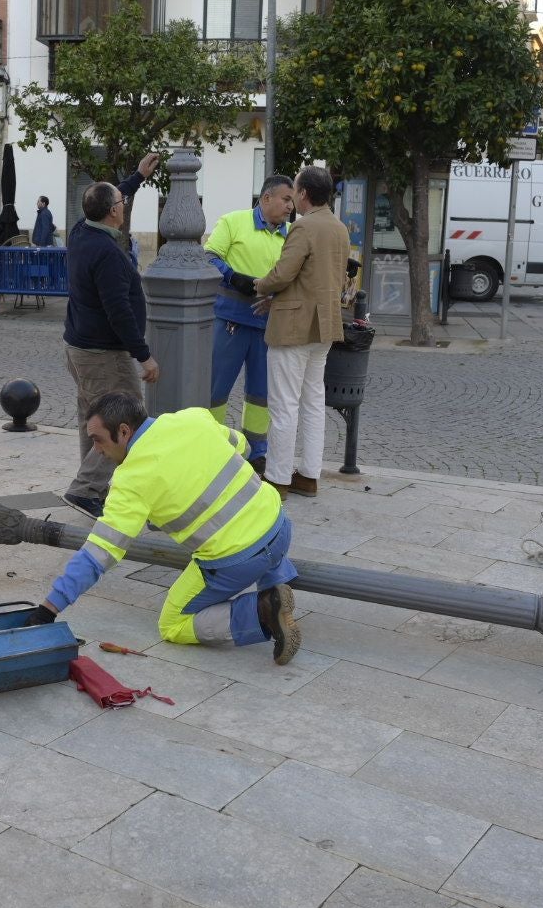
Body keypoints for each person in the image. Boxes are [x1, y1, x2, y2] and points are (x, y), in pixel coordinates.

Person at [31, 392, 302, 664]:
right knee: (260, 534)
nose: (97, 450)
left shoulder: (130, 480)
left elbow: (98, 554)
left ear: (124, 431)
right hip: (279, 526)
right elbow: (242, 446)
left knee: (172, 624)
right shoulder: (192, 418)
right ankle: (277, 583)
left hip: (236, 561)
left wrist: (48, 609)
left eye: (98, 440)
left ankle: (263, 611)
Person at [62, 152, 162, 518]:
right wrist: (143, 355)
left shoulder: (81, 230)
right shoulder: (107, 253)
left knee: (91, 417)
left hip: (79, 346)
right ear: (114, 213)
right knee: (126, 420)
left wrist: (136, 177)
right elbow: (118, 310)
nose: (123, 202)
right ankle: (86, 488)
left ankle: (94, 484)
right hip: (103, 354)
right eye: (120, 202)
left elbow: (111, 193)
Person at [254, 165, 350, 499]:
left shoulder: (303, 227)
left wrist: (260, 285)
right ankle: (309, 476)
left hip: (293, 327)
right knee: (312, 403)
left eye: (295, 189)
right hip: (324, 325)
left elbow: (283, 274)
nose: (293, 196)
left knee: (283, 405)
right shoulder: (339, 228)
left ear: (304, 194)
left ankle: (277, 479)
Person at [206, 174, 293, 477]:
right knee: (216, 390)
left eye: (293, 200)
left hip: (270, 327)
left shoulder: (292, 234)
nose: (290, 206)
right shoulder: (233, 221)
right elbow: (209, 258)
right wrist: (233, 277)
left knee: (261, 395)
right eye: (285, 199)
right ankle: (212, 449)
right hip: (230, 321)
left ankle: (257, 454)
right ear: (266, 198)